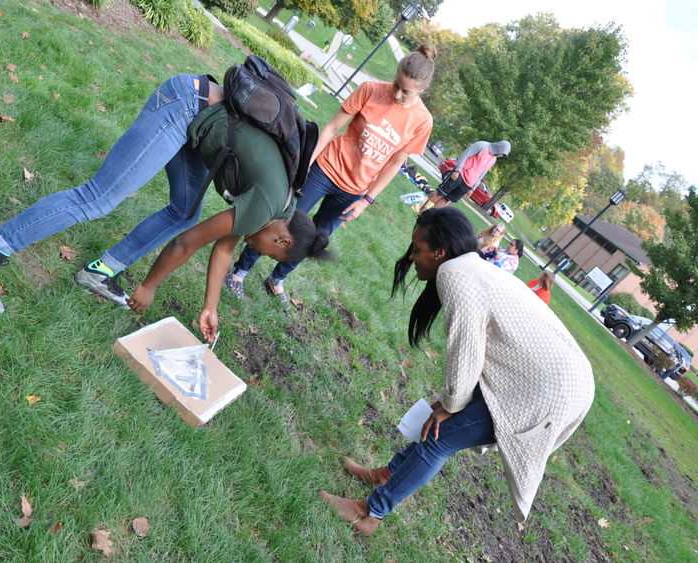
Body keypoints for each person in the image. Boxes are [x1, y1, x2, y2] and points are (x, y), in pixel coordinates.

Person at [0, 72, 330, 339]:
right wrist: (148, 286)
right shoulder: (268, 206)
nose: (256, 251)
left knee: (183, 209)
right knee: (99, 197)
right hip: (183, 104)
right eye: (268, 255)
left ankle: (100, 272)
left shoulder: (283, 203)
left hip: (201, 116)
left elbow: (224, 245)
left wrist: (211, 307)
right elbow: (187, 244)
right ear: (281, 242)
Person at [319, 207, 594, 535]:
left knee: (440, 438)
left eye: (417, 250)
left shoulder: (455, 273)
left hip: (548, 391)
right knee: (438, 425)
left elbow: (466, 349)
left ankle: (369, 513)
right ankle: (387, 474)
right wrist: (450, 402)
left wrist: (451, 405)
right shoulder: (468, 268)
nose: (411, 257)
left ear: (439, 252)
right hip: (543, 380)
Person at [223, 45, 437, 306]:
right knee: (282, 219)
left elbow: (395, 163)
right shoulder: (370, 90)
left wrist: (366, 200)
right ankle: (240, 271)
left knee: (314, 238)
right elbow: (332, 128)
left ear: (422, 90)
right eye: (396, 84)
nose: (397, 93)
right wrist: (305, 166)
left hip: (355, 190)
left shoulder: (422, 121)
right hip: (325, 169)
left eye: (406, 92)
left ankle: (277, 279)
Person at [421, 140, 511, 210]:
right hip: (460, 175)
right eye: (502, 153)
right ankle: (422, 207)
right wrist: (457, 170)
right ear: (500, 147)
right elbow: (465, 155)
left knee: (447, 199)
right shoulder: (482, 145)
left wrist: (473, 188)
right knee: (440, 193)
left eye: (503, 155)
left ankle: (429, 215)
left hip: (468, 184)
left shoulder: (493, 160)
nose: (501, 155)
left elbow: (482, 173)